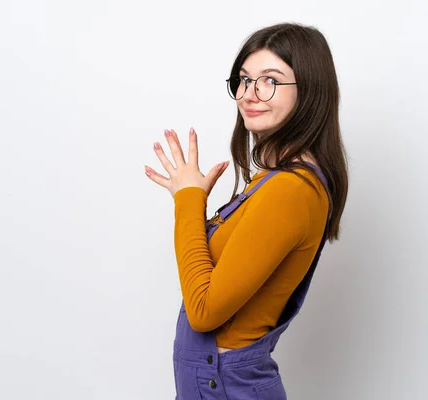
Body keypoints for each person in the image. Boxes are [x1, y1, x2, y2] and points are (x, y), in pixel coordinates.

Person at [144, 22, 348, 399]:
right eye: (243, 80)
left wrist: (188, 200)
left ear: (310, 91)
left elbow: (204, 310)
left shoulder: (290, 190)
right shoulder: (271, 182)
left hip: (225, 387)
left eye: (269, 80)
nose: (249, 94)